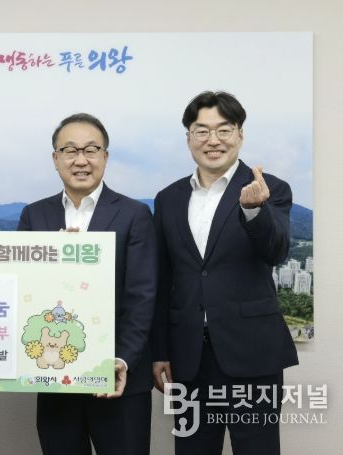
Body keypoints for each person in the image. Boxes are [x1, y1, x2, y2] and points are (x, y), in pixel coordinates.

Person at [151, 91, 299, 455]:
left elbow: (277, 251)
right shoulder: (168, 198)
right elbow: (164, 279)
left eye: (224, 130)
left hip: (252, 352)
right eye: (202, 131)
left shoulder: (270, 188)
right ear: (188, 137)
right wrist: (160, 350)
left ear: (240, 135)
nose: (213, 140)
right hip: (189, 356)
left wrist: (253, 211)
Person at [18, 113, 157, 455]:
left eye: (91, 150)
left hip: (118, 378)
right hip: (57, 379)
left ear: (105, 157)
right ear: (56, 158)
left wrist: (122, 359)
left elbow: (142, 297)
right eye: (70, 150)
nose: (81, 160)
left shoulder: (134, 214)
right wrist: (54, 262)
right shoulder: (34, 215)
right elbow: (22, 291)